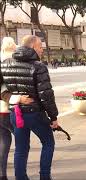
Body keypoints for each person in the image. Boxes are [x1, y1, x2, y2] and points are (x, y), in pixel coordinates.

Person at [1, 35, 59, 180]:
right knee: (48, 143)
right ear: (33, 47)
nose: (42, 50)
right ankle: (45, 176)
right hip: (34, 113)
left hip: (16, 113)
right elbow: (46, 95)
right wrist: (53, 117)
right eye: (40, 47)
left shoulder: (5, 63)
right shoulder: (38, 66)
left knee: (20, 148)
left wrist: (14, 99)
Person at [0, 37, 34, 180]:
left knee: (3, 142)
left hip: (1, 111)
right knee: (22, 145)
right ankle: (21, 175)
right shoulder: (14, 63)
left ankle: (2, 175)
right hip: (12, 110)